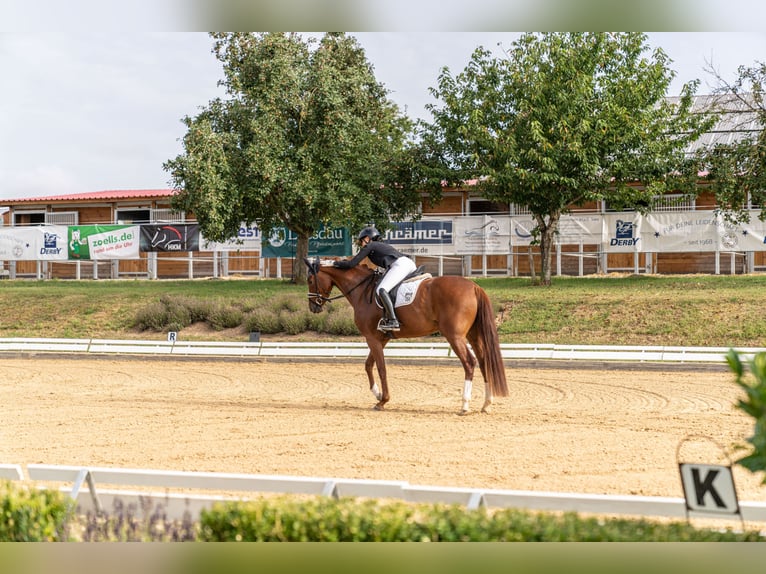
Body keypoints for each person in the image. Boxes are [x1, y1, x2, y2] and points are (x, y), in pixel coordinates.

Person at [333, 226, 416, 331]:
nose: (361, 244)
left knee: (381, 289)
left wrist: (334, 263)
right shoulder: (378, 246)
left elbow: (352, 264)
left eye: (362, 241)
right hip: (408, 264)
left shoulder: (370, 246)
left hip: (400, 265)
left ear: (367, 238)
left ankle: (393, 320)